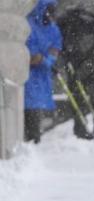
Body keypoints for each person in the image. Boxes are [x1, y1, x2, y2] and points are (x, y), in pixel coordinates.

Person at [56, 6, 94, 139]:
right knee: (76, 98)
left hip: (93, 70)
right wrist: (63, 62)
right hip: (74, 67)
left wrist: (82, 70)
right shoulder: (67, 24)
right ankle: (80, 129)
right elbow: (59, 46)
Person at [24, 0, 62, 143]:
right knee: (30, 109)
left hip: (43, 79)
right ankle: (32, 139)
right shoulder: (28, 25)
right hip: (28, 78)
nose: (50, 14)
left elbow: (54, 52)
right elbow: (29, 54)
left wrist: (44, 60)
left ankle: (34, 139)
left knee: (37, 109)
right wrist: (38, 58)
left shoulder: (54, 30)